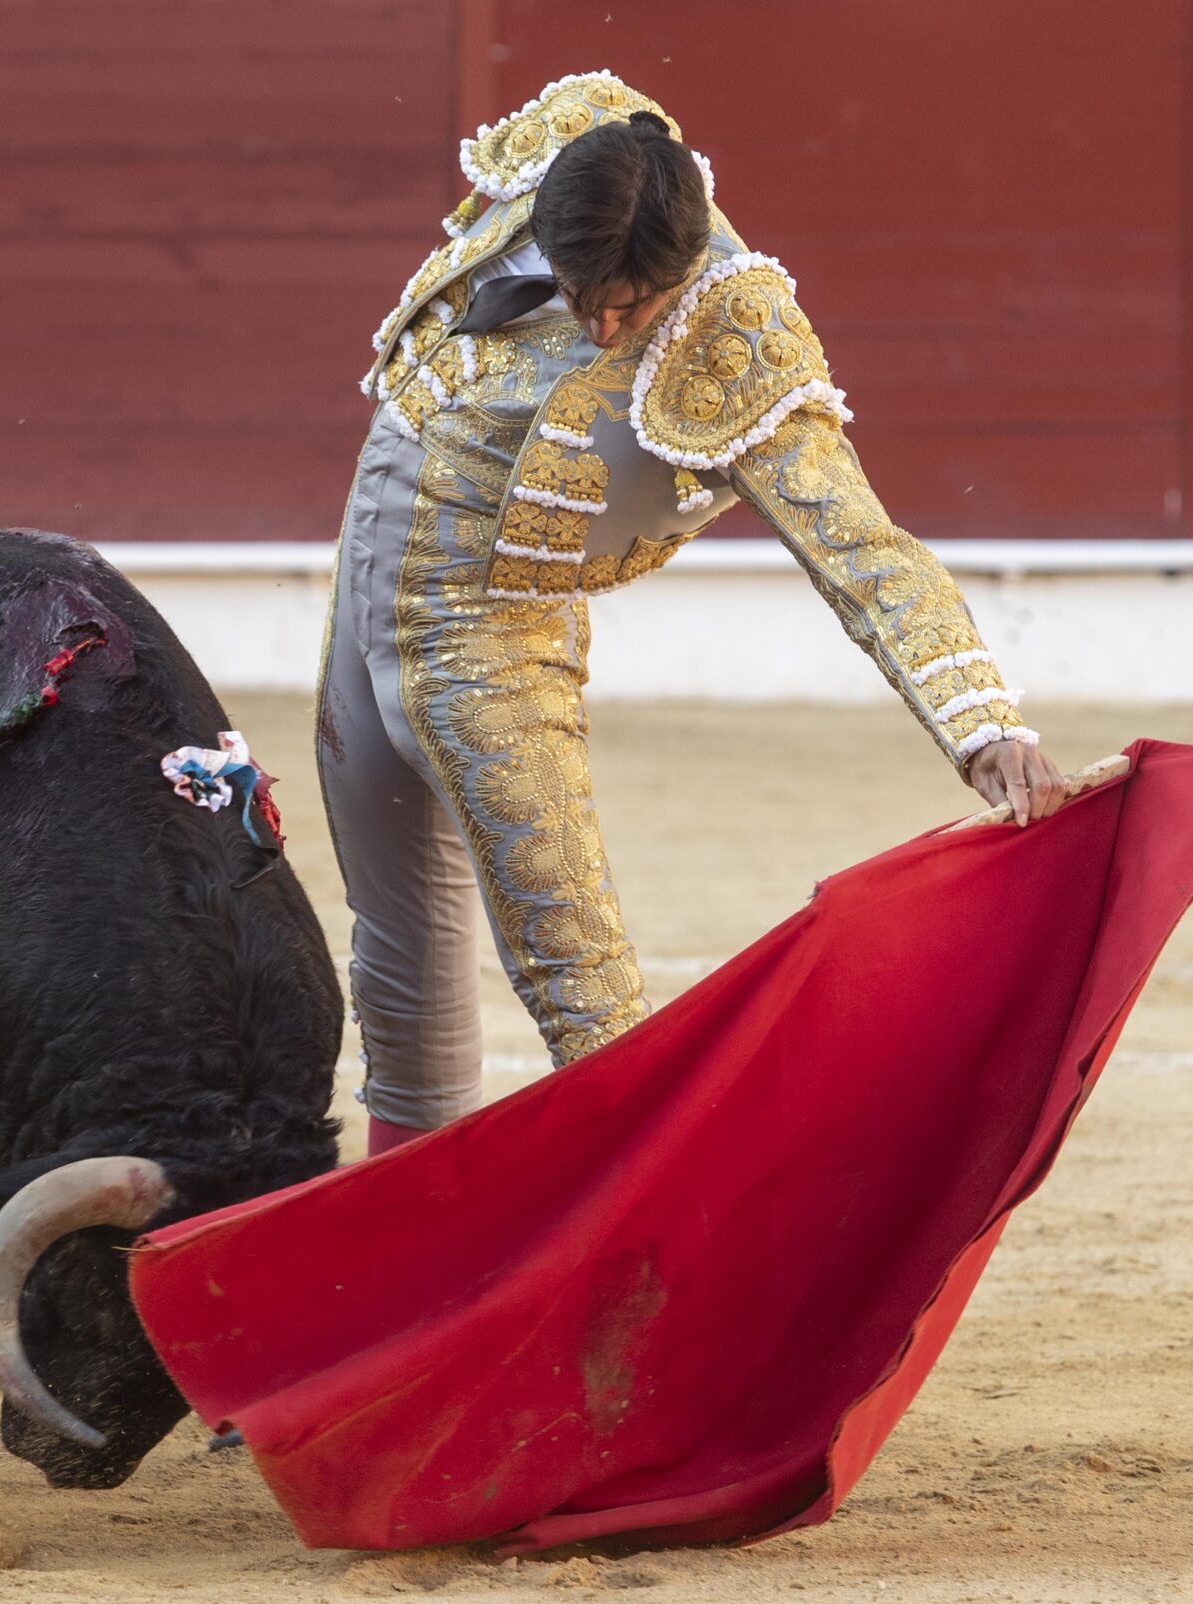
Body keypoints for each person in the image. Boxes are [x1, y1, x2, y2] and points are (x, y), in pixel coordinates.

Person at [319, 70, 1070, 1157]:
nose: (604, 324)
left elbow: (861, 548)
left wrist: (983, 722)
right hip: (366, 587)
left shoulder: (735, 330)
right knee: (395, 943)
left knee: (583, 985)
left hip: (492, 638)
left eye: (632, 306)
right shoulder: (567, 145)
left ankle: (659, 1233)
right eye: (583, 291)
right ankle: (401, 1215)